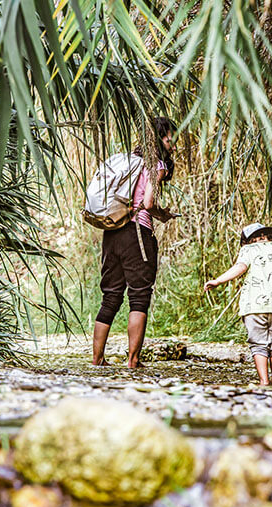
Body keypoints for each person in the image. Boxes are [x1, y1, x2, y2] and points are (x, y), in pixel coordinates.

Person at [92, 117, 178, 368]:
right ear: (160, 138)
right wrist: (163, 214)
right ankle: (133, 361)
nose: (172, 142)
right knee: (139, 297)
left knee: (110, 296)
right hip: (137, 233)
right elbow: (148, 203)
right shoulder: (156, 164)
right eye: (169, 137)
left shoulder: (129, 160)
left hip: (113, 232)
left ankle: (97, 360)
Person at [203, 223, 272, 385]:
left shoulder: (248, 250)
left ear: (249, 240)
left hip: (253, 306)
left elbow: (239, 268)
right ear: (268, 237)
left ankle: (264, 381)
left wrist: (218, 280)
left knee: (258, 344)